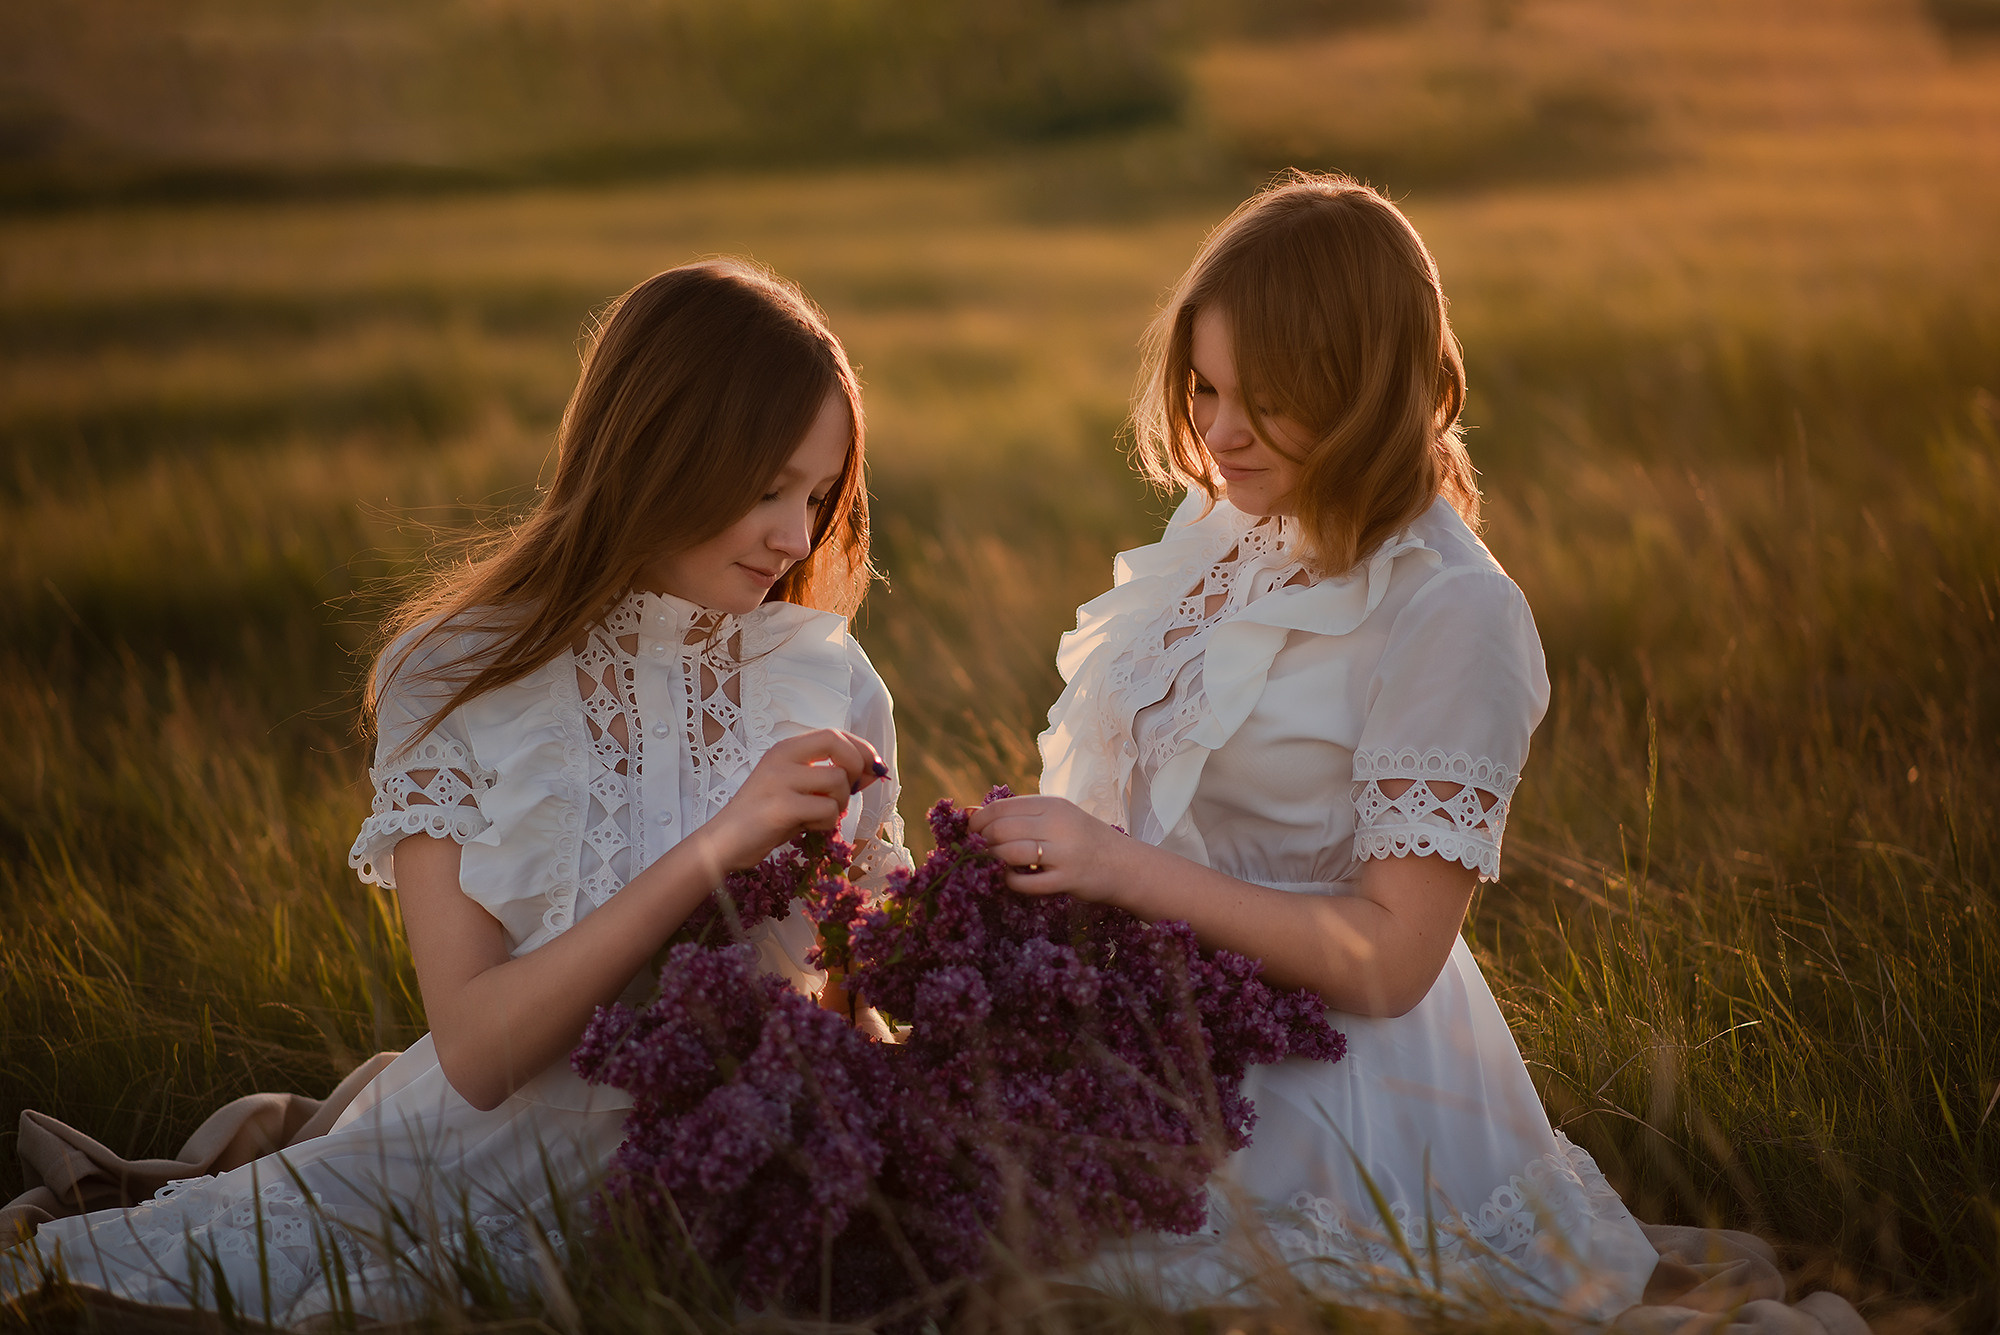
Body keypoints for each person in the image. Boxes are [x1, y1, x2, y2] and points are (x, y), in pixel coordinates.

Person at [1, 259, 912, 1328]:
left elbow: (858, 995)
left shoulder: (826, 677)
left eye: (816, 497)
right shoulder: (453, 671)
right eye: (765, 490)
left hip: (760, 1176)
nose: (795, 541)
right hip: (492, 1162)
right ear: (656, 450)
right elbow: (479, 1053)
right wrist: (720, 846)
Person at [967, 174, 1663, 1316]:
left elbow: (1391, 963)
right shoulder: (1228, 529)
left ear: (1368, 388)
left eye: (1269, 398)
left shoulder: (1452, 610)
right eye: (1203, 389)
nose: (1220, 433)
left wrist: (1115, 869)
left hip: (1329, 1095)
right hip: (1144, 1041)